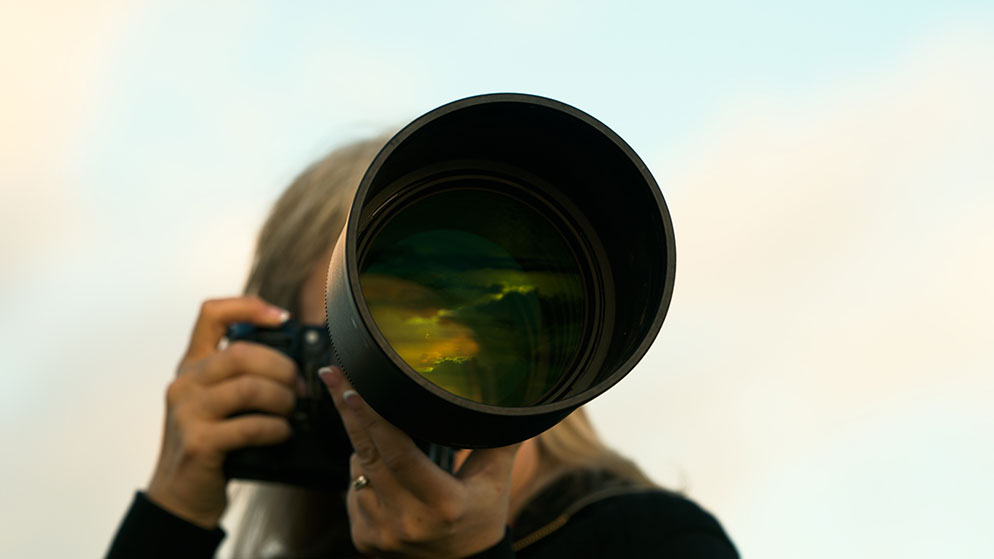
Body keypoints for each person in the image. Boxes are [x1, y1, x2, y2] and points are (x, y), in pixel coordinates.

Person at [107, 137, 738, 558]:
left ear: (548, 338)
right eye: (371, 328)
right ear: (289, 368)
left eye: (474, 308)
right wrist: (172, 513)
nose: (429, 361)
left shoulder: (655, 542)